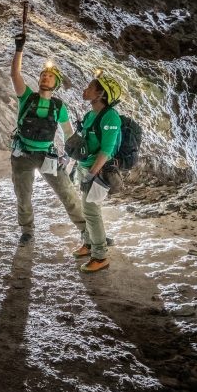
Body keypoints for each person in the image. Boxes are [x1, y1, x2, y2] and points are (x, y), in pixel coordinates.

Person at [10, 32, 88, 247]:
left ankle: (86, 230)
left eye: (50, 76)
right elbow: (15, 75)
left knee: (68, 194)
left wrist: (70, 157)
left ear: (56, 83)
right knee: (23, 196)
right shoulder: (27, 97)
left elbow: (69, 133)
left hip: (47, 155)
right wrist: (19, 49)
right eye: (43, 75)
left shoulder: (59, 107)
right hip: (23, 154)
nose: (45, 77)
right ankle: (27, 230)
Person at [74, 73, 123, 273]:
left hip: (98, 171)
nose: (85, 90)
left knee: (91, 212)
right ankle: (88, 244)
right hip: (84, 166)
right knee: (87, 209)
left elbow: (106, 150)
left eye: (90, 87)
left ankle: (100, 255)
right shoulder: (90, 115)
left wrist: (91, 174)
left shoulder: (111, 117)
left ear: (100, 93)